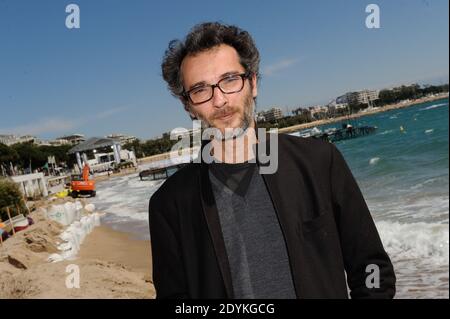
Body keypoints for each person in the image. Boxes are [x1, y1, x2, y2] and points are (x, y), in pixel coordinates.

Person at [149, 22, 396, 299]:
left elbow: (372, 268)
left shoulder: (319, 163)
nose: (219, 100)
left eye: (230, 80)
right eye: (200, 90)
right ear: (188, 106)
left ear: (252, 83)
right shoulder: (169, 204)